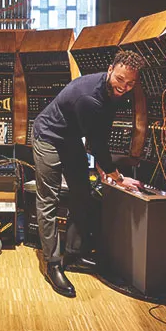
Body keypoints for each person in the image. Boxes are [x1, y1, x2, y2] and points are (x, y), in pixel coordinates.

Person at [32, 50, 145, 298]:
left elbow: (100, 133)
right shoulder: (89, 98)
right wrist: (116, 176)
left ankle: (73, 254)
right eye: (120, 80)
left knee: (82, 194)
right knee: (48, 201)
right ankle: (53, 264)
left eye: (130, 83)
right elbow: (96, 141)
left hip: (71, 137)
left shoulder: (116, 92)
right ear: (110, 70)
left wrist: (103, 166)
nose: (124, 87)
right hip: (48, 137)